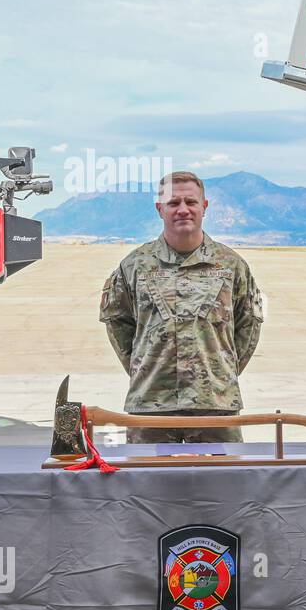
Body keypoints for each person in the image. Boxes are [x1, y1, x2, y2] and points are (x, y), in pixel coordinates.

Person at [99, 171, 264, 443]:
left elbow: (248, 327)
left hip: (216, 404)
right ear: (160, 209)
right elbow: (119, 323)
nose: (183, 210)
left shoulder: (231, 265)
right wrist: (148, 366)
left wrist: (218, 370)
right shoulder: (135, 265)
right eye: (174, 203)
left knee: (223, 482)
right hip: (151, 404)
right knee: (146, 483)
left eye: (191, 202)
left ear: (205, 207)